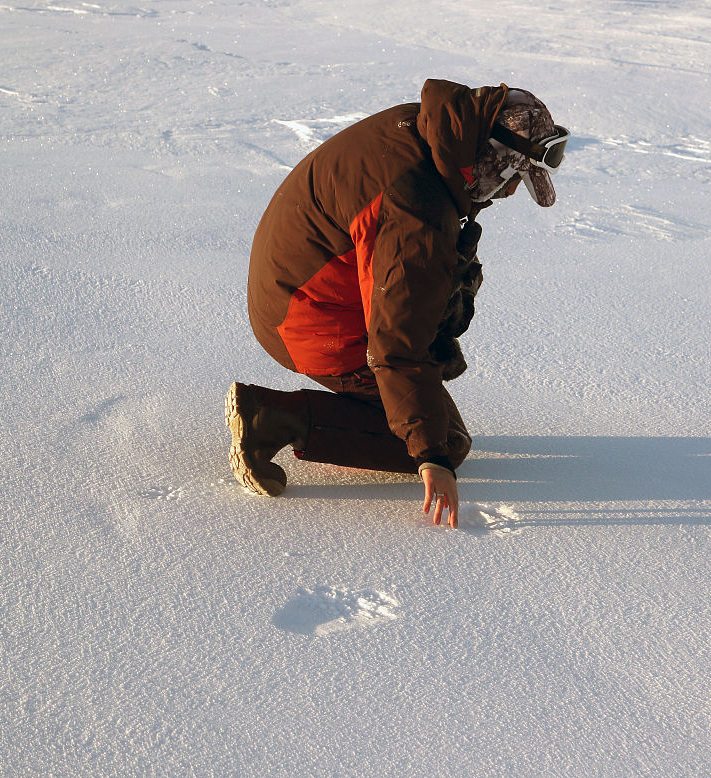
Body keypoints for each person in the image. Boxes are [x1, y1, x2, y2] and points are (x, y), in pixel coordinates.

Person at [227, 78, 568, 528]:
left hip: (286, 290)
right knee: (448, 439)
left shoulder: (431, 129)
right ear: (491, 160)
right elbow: (395, 341)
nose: (506, 195)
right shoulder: (416, 210)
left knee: (422, 376)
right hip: (308, 322)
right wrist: (431, 455)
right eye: (511, 181)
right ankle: (270, 418)